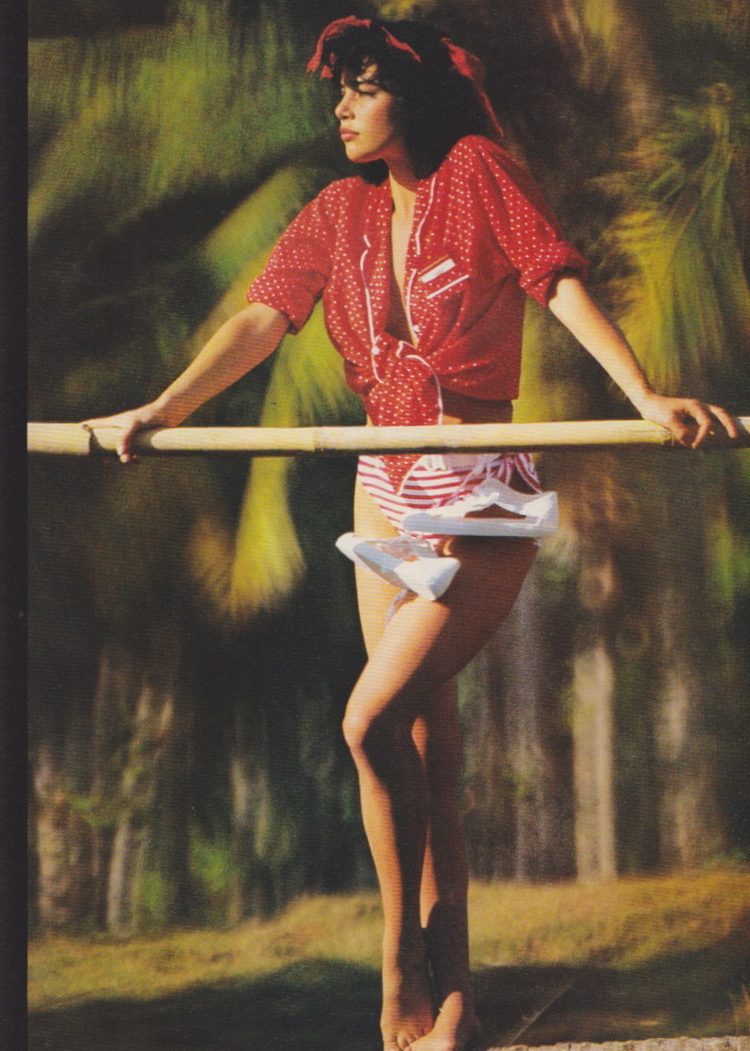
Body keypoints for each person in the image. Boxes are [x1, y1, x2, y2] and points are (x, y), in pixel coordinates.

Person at [84, 17, 738, 1051]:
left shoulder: (478, 170)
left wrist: (645, 395)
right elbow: (264, 316)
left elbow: (554, 277)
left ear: (414, 97)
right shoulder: (336, 210)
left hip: (476, 487)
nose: (342, 106)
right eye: (338, 88)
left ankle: (399, 966)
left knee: (366, 722)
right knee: (423, 753)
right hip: (380, 489)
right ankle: (456, 1004)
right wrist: (163, 408)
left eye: (365, 86)